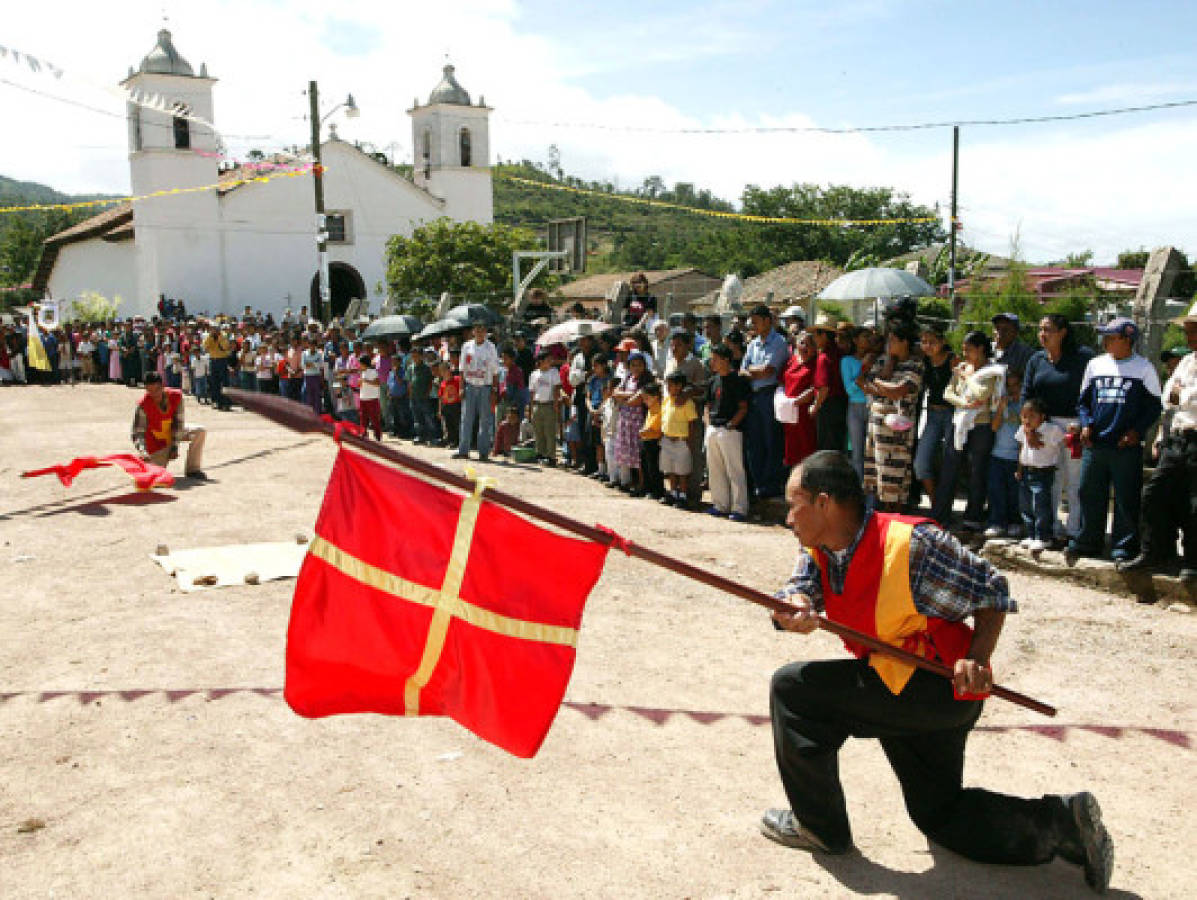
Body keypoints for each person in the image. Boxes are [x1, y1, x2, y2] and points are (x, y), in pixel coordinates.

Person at [762, 451, 1113, 893]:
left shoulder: (911, 545)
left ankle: (819, 827)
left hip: (937, 688)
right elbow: (798, 592)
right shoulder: (820, 549)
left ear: (824, 503)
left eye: (794, 504)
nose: (788, 516)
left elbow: (992, 590)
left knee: (794, 690)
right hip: (900, 686)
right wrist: (790, 609)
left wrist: (979, 658)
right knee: (938, 812)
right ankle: (1065, 823)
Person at [1072, 318, 1161, 561]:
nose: (1105, 341)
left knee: (1125, 497)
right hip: (1096, 443)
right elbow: (1083, 401)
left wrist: (1137, 431)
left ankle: (1123, 547)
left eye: (1111, 336)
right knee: (1089, 492)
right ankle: (1088, 541)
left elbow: (1154, 407)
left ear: (1127, 340)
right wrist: (1086, 423)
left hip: (1126, 446)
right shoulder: (1095, 365)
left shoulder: (1144, 368)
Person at [1120, 303, 1197, 580]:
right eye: (1188, 331)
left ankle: (1192, 561)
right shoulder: (1188, 362)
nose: (1190, 337)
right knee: (1155, 495)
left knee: (1193, 504)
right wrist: (1182, 396)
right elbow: (1168, 396)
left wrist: (1183, 395)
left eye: (1193, 331)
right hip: (1178, 438)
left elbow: (1183, 398)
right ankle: (1154, 551)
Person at [1022, 315, 1094, 545]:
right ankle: (1050, 529)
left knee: (1075, 482)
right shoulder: (1036, 360)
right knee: (1049, 481)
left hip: (1074, 426)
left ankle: (1074, 531)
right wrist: (1029, 428)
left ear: (1062, 332)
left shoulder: (1083, 358)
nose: (1043, 334)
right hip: (1044, 425)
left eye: (1048, 330)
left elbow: (1091, 393)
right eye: (1040, 329)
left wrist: (1085, 424)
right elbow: (1027, 395)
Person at [933, 332, 1005, 530]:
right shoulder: (963, 368)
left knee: (977, 470)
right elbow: (948, 392)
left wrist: (967, 378)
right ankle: (940, 514)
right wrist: (964, 403)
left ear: (981, 348)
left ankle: (973, 517)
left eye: (969, 349)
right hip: (960, 422)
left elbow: (982, 394)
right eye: (963, 349)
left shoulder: (992, 370)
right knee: (949, 468)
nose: (965, 353)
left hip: (981, 426)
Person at [860, 322, 923, 513]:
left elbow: (898, 391)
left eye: (894, 340)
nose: (889, 344)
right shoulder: (882, 361)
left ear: (904, 342)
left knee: (895, 477)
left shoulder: (915, 365)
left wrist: (879, 382)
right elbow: (863, 383)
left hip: (896, 433)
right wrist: (885, 373)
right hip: (876, 427)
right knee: (876, 476)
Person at [741, 305, 791, 500]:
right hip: (754, 395)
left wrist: (752, 371)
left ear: (767, 320)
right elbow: (742, 370)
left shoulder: (778, 342)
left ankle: (771, 483)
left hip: (769, 394)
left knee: (771, 440)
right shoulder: (753, 344)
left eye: (756, 321)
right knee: (755, 441)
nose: (753, 325)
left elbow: (769, 371)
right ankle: (759, 482)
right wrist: (755, 370)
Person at [704, 344, 750, 521]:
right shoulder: (712, 380)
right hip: (713, 428)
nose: (712, 362)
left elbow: (743, 407)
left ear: (726, 360)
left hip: (730, 430)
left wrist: (731, 424)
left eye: (715, 358)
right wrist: (708, 424)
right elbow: (707, 405)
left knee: (734, 469)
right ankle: (720, 504)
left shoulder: (737, 380)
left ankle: (739, 508)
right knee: (715, 469)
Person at [131, 373, 206, 478]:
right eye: (149, 391)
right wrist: (143, 451)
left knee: (199, 431)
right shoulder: (143, 405)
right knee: (153, 476)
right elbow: (138, 433)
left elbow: (179, 423)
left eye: (156, 390)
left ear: (163, 386)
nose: (154, 394)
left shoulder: (176, 396)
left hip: (172, 433)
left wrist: (175, 446)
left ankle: (192, 469)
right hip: (156, 444)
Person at [1015, 397, 1065, 551]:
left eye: (1031, 416)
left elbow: (1060, 443)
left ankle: (1043, 536)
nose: (1027, 420)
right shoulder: (1023, 430)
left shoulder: (1052, 430)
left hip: (1042, 473)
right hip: (1026, 472)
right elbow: (1022, 449)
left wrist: (1036, 434)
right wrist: (1019, 469)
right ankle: (1031, 534)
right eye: (1024, 416)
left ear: (1042, 416)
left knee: (1040, 506)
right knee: (1026, 506)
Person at [913, 326, 956, 505]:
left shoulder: (953, 360)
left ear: (942, 342)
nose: (928, 346)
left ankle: (944, 506)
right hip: (932, 414)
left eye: (932, 342)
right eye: (924, 342)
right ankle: (935, 503)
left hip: (952, 414)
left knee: (950, 462)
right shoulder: (923, 362)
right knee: (920, 463)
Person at [664, 330, 707, 506]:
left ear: (688, 345)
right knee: (673, 458)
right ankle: (675, 493)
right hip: (672, 417)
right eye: (672, 345)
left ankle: (693, 495)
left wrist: (688, 392)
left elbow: (703, 388)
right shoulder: (670, 362)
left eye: (678, 345)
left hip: (691, 417)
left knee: (693, 455)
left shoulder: (696, 364)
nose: (674, 348)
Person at [985, 370, 1024, 539]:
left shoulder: (1024, 405)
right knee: (996, 490)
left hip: (1016, 456)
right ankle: (996, 522)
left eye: (1016, 385)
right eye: (1009, 386)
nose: (1013, 389)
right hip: (998, 453)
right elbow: (994, 427)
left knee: (1014, 492)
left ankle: (1015, 522)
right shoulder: (1000, 403)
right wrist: (1001, 408)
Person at [454, 324, 501, 462]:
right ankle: (463, 450)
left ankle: (483, 452)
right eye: (477, 330)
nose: (480, 333)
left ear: (486, 332)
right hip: (470, 385)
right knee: (466, 419)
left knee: (485, 421)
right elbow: (462, 369)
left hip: (485, 387)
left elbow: (495, 371)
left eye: (482, 330)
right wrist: (461, 387)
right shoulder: (466, 346)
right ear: (473, 331)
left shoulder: (491, 347)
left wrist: (494, 389)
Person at [612, 351, 652, 490]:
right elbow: (615, 393)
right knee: (627, 452)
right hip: (625, 420)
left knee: (638, 453)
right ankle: (631, 482)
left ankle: (642, 484)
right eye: (633, 365)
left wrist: (624, 398)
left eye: (639, 365)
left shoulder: (647, 380)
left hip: (638, 420)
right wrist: (630, 396)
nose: (636, 368)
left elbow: (638, 400)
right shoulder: (627, 378)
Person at [659, 371, 698, 507]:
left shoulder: (687, 403)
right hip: (667, 439)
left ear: (680, 386)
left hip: (681, 440)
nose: (669, 388)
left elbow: (691, 422)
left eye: (672, 386)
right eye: (668, 386)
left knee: (682, 470)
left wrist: (690, 442)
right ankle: (673, 493)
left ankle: (683, 495)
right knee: (670, 469)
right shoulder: (666, 401)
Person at [779, 332, 818, 468]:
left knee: (807, 450)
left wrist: (795, 402)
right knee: (791, 451)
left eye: (810, 344)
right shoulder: (791, 361)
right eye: (802, 343)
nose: (805, 347)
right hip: (788, 414)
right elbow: (781, 382)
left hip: (805, 414)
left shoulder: (816, 364)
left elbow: (815, 388)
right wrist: (783, 401)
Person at [809, 314, 847, 452]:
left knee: (827, 447)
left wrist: (815, 405)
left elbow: (823, 388)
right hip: (842, 404)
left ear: (823, 335)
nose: (814, 339)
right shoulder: (841, 353)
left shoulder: (824, 357)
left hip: (828, 407)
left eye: (815, 335)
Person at [841, 326, 872, 481]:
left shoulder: (876, 358)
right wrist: (864, 369)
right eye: (865, 336)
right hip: (855, 407)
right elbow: (850, 389)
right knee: (857, 451)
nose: (868, 340)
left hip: (872, 406)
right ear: (855, 340)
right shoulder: (847, 361)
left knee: (872, 452)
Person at [527, 351, 562, 466]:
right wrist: (531, 408)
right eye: (547, 360)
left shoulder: (553, 372)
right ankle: (540, 453)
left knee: (550, 431)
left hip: (549, 404)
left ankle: (551, 456)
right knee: (538, 431)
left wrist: (556, 404)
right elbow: (532, 392)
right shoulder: (534, 374)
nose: (550, 362)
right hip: (538, 404)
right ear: (540, 362)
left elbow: (557, 388)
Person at [202, 323, 234, 410]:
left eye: (215, 329)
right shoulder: (209, 337)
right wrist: (210, 337)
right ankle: (216, 401)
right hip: (213, 360)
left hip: (222, 360)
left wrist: (219, 337)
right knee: (214, 383)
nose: (213, 331)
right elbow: (205, 347)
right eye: (212, 329)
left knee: (225, 382)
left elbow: (225, 346)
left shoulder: (223, 336)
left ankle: (226, 403)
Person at [991, 312, 1033, 378]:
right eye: (997, 328)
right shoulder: (985, 349)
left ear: (1015, 332)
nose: (999, 332)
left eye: (1005, 329)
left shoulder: (1025, 354)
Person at [436, 361, 462, 448]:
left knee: (456, 424)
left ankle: (458, 441)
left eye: (444, 370)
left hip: (456, 405)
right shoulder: (443, 383)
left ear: (449, 370)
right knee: (448, 424)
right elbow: (441, 397)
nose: (443, 373)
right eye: (441, 371)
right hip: (447, 406)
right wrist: (440, 410)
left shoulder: (457, 380)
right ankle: (451, 440)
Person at [357, 354, 382, 440]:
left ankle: (378, 435)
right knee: (363, 417)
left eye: (360, 363)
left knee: (374, 418)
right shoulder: (363, 372)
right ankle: (364, 433)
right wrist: (360, 383)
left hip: (372, 398)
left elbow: (377, 383)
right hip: (363, 397)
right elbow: (362, 385)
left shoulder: (372, 372)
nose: (359, 365)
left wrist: (365, 381)